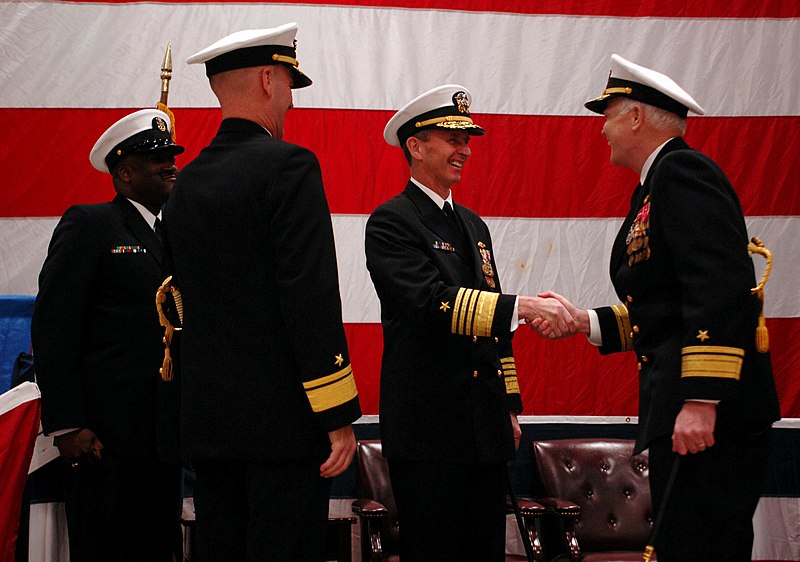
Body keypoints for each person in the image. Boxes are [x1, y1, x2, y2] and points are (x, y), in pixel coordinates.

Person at [539, 54, 781, 561]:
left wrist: (702, 400)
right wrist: (585, 322)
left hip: (709, 414)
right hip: (686, 407)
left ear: (635, 116)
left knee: (699, 547)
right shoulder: (655, 185)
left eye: (607, 115)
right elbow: (668, 307)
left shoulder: (682, 172)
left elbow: (717, 289)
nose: (602, 130)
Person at [161, 23, 362, 561]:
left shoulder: (185, 185)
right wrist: (336, 412)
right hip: (283, 426)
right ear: (270, 80)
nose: (292, 102)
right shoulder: (290, 166)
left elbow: (179, 306)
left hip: (208, 423)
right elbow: (310, 297)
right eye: (291, 85)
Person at [364, 84, 574, 561]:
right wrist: (522, 306)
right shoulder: (391, 222)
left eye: (468, 140)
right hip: (428, 430)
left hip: (485, 427)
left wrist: (511, 404)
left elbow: (491, 321)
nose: (465, 150)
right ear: (415, 147)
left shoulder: (474, 226)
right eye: (451, 138)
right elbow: (431, 304)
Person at [31, 108, 185, 562]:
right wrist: (67, 423)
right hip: (103, 437)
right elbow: (54, 325)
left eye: (171, 155)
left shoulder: (176, 232)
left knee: (158, 545)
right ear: (123, 174)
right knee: (106, 546)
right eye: (155, 158)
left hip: (162, 432)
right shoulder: (92, 225)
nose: (170, 164)